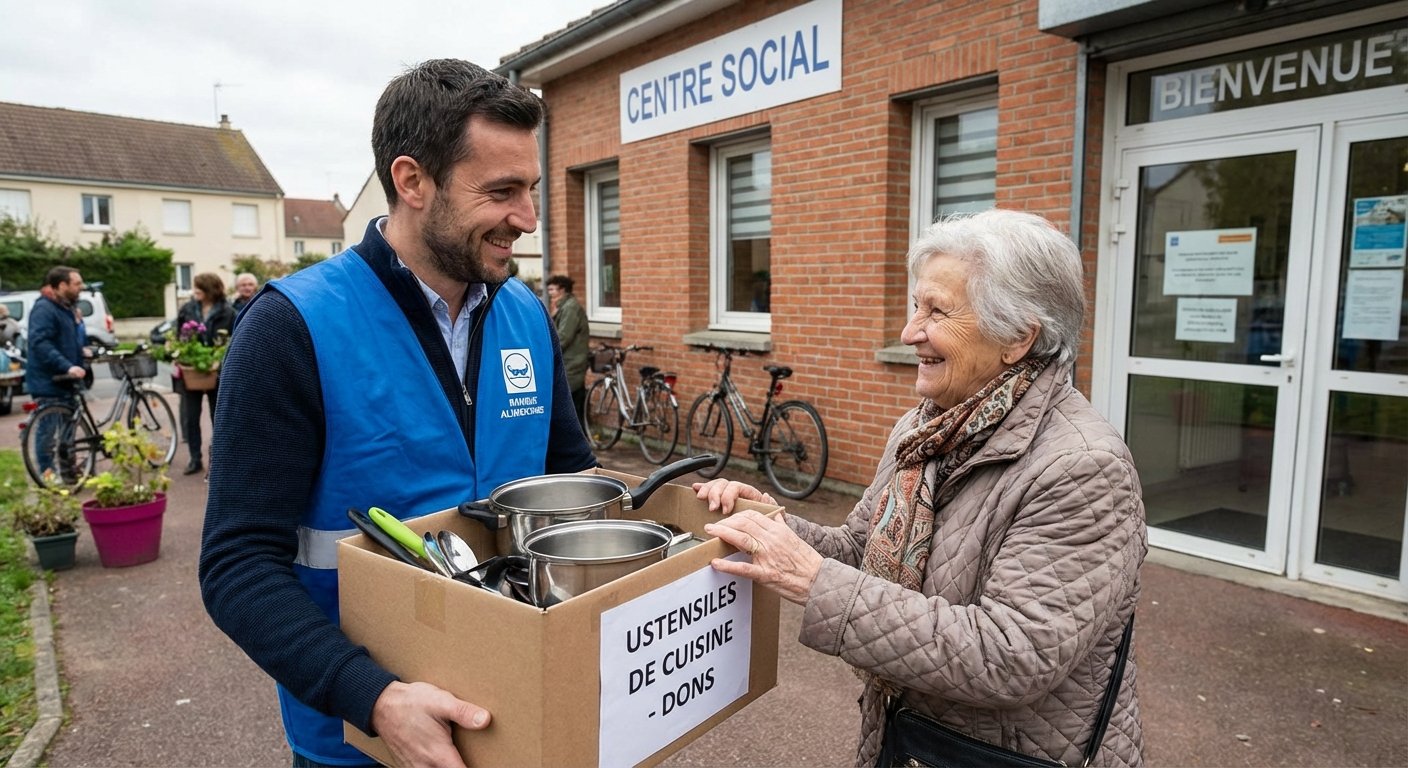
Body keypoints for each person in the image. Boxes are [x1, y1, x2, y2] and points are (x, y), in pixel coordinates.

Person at [199, 59, 596, 768]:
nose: (528, 220)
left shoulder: (527, 317)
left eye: (530, 190)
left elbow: (571, 480)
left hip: (522, 721)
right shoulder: (293, 327)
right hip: (368, 742)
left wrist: (685, 514)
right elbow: (238, 566)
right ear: (412, 181)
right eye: (502, 192)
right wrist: (376, 699)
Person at [695, 209, 1147, 767]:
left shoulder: (1084, 467)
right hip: (911, 739)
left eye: (937, 311)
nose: (910, 332)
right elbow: (863, 548)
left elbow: (1013, 654)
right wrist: (772, 526)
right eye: (916, 306)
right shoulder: (926, 426)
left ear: (1018, 338)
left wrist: (816, 584)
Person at [24, 267, 89, 479]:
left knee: (68, 430)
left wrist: (81, 352)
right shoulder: (44, 309)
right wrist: (66, 365)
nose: (82, 288)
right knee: (47, 431)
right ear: (62, 286)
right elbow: (40, 343)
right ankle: (47, 474)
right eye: (77, 284)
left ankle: (68, 473)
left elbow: (64, 340)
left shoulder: (64, 308)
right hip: (49, 380)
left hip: (65, 379)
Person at [173, 272, 235, 475]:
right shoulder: (188, 309)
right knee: (191, 418)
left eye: (199, 287)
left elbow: (234, 341)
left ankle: (218, 460)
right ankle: (194, 458)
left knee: (218, 418)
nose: (195, 291)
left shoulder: (228, 312)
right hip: (193, 371)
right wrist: (182, 354)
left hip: (217, 373)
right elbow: (179, 336)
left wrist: (221, 358)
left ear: (210, 289)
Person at [545, 274, 589, 424]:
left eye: (552, 290)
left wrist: (545, 353)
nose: (549, 293)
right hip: (567, 363)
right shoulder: (562, 307)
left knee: (571, 404)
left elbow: (563, 337)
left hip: (572, 363)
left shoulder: (570, 308)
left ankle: (579, 439)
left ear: (562, 290)